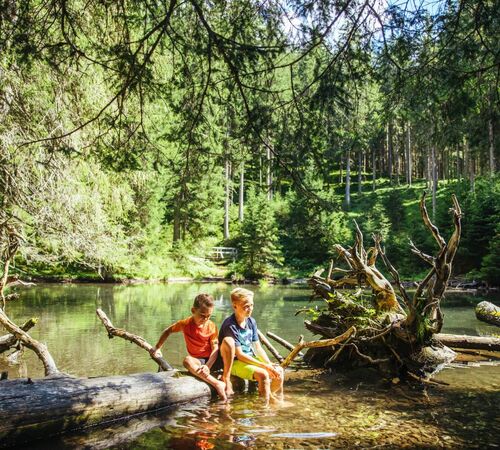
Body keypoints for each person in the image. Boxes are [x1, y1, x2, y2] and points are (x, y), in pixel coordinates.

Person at [150, 293, 226, 401]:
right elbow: (168, 331)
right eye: (202, 315)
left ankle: (223, 379)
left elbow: (215, 349)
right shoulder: (185, 324)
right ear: (193, 311)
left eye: (209, 316)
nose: (205, 319)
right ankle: (217, 384)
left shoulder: (211, 326)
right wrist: (157, 347)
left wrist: (208, 367)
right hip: (199, 361)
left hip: (213, 359)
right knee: (187, 360)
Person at [219, 287, 284, 405]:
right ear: (235, 306)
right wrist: (264, 367)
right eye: (246, 307)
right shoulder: (230, 325)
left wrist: (269, 364)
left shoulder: (251, 322)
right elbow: (240, 355)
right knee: (263, 374)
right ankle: (265, 406)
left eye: (252, 305)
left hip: (249, 359)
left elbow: (258, 348)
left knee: (278, 370)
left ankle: (269, 398)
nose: (250, 309)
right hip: (235, 362)